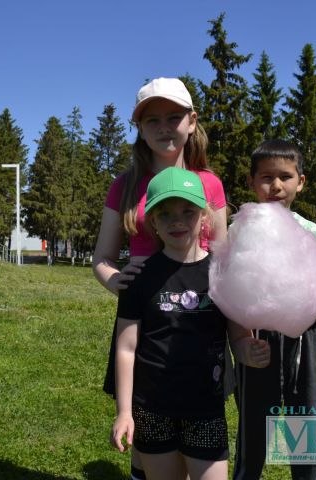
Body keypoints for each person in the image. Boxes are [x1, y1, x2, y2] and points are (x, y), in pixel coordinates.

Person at [92, 77, 228, 480]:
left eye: (174, 117)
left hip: (200, 325)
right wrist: (115, 279)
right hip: (145, 321)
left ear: (192, 121)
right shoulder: (125, 185)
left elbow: (223, 257)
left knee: (199, 426)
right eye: (152, 120)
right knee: (146, 429)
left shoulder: (210, 184)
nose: (164, 128)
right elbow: (101, 258)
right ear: (139, 128)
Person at [110, 167, 270, 480]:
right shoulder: (138, 278)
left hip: (205, 408)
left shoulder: (222, 275)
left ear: (205, 218)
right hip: (152, 408)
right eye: (166, 213)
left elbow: (237, 336)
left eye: (188, 211)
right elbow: (126, 348)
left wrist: (247, 352)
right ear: (153, 221)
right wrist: (124, 412)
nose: (178, 221)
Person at [232, 139, 316, 480]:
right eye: (265, 177)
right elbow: (227, 289)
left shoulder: (314, 234)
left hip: (305, 341)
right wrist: (241, 342)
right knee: (252, 428)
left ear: (300, 182)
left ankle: (308, 475)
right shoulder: (237, 231)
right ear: (250, 182)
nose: (276, 185)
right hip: (257, 339)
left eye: (286, 177)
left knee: (306, 421)